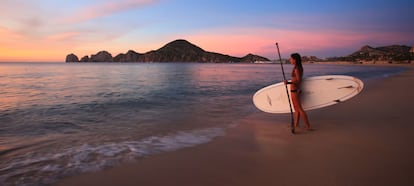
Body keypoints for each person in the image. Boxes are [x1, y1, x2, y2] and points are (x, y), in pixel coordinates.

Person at [284, 53, 312, 130]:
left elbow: (298, 81)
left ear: (295, 60)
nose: (290, 60)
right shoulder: (296, 67)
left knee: (299, 109)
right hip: (294, 90)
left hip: (295, 91)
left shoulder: (297, 69)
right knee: (296, 110)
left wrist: (288, 83)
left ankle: (308, 126)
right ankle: (296, 125)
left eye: (291, 59)